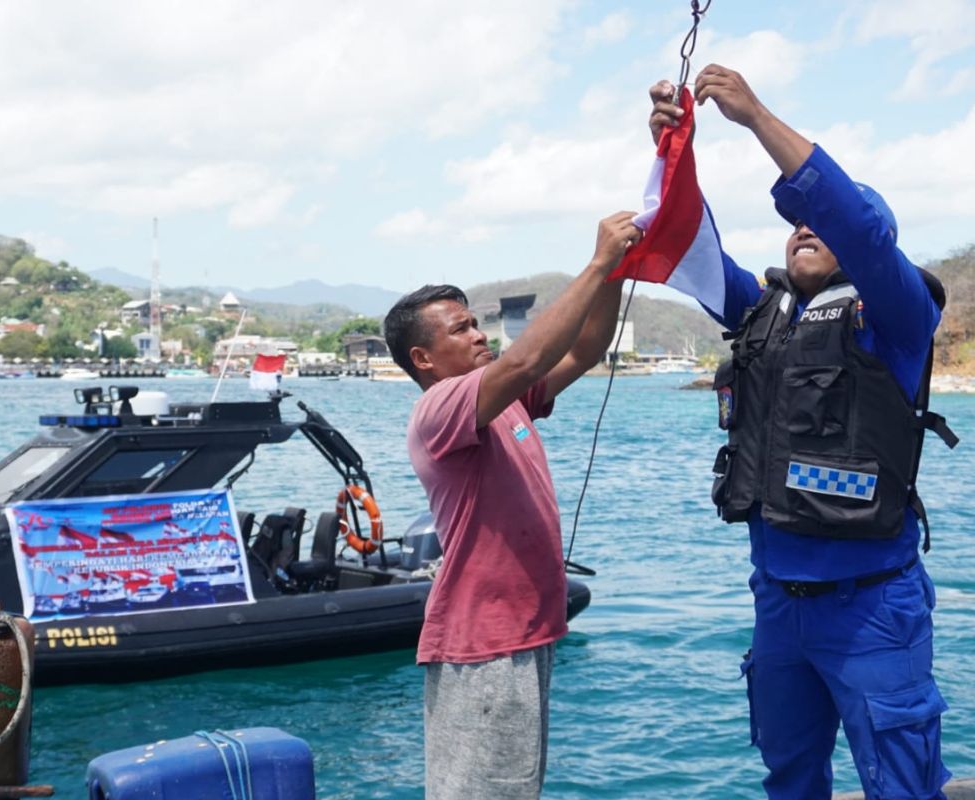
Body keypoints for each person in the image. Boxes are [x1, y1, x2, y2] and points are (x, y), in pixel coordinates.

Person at [648, 65, 953, 798]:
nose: (805, 228)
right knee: (789, 775)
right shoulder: (761, 310)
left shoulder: (897, 315)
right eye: (795, 226)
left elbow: (858, 224)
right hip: (778, 603)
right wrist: (672, 151)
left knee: (901, 781)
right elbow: (685, 249)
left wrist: (755, 117)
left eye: (819, 220)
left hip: (872, 605)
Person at [382, 211, 639, 800]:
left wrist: (617, 275)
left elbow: (583, 350)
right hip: (485, 645)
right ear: (423, 359)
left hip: (524, 634)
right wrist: (598, 260)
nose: (478, 335)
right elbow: (523, 360)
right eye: (460, 329)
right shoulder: (441, 407)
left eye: (476, 323)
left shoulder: (503, 401)